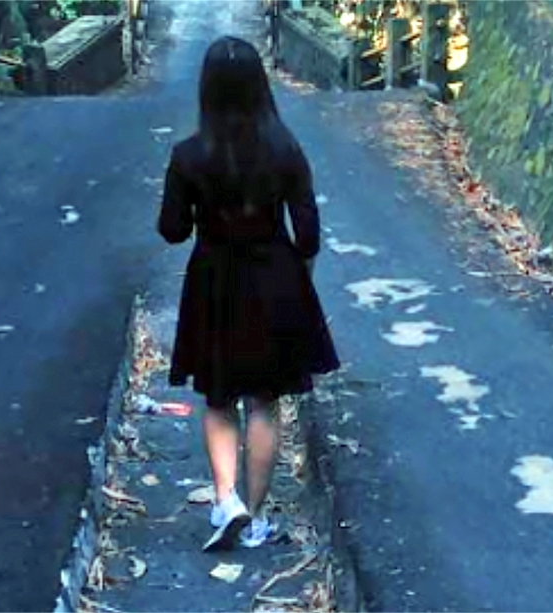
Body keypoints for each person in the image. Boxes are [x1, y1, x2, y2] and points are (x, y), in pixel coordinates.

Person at [157, 36, 340, 552]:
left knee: (218, 398)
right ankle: (255, 518)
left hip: (214, 280)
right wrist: (294, 274)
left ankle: (225, 499)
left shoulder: (188, 155)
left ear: (207, 90)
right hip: (275, 279)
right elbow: (308, 235)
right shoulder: (286, 148)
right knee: (264, 401)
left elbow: (171, 229)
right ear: (260, 86)